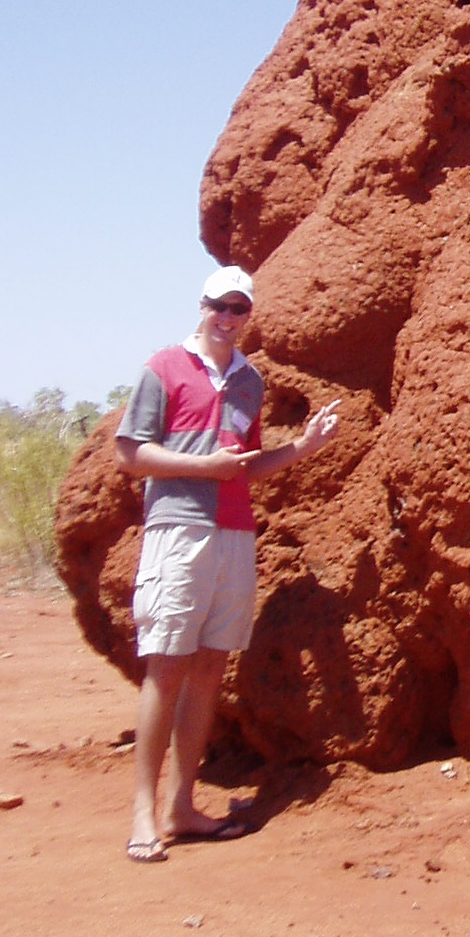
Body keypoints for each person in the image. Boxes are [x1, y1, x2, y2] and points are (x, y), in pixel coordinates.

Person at [116, 266, 339, 862]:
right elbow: (130, 453)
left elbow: (246, 465)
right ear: (202, 304)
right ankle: (143, 814)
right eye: (220, 306)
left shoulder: (249, 381)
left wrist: (304, 447)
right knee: (166, 666)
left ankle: (181, 806)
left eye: (239, 309)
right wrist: (202, 469)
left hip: (235, 532)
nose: (228, 318)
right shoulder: (164, 367)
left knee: (211, 666)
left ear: (248, 315)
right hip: (179, 529)